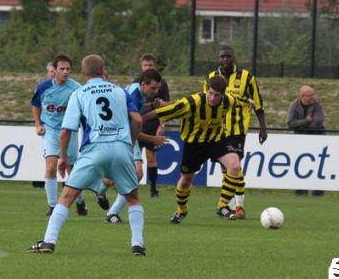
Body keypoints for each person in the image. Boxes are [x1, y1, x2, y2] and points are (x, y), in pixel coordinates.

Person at [26, 54, 147, 256]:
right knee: (133, 198)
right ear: (103, 70)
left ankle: (48, 241)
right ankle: (138, 245)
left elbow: (66, 131)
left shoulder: (79, 93)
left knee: (67, 196)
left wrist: (64, 158)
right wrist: (130, 143)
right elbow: (137, 120)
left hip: (95, 149)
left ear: (83, 73)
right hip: (120, 147)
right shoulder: (120, 91)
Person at [142, 74, 252, 224]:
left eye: (217, 95)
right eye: (210, 93)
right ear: (207, 89)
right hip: (194, 145)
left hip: (216, 141)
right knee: (185, 180)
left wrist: (248, 101)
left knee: (235, 166)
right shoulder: (192, 102)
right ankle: (181, 210)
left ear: (223, 94)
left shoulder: (227, 100)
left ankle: (222, 206)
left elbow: (237, 100)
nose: (212, 98)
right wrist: (141, 118)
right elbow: (167, 110)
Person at [204, 46, 267, 219]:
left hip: (237, 130)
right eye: (222, 57)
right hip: (217, 129)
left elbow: (258, 103)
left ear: (233, 58)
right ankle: (230, 206)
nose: (225, 59)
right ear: (218, 59)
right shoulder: (211, 77)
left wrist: (263, 128)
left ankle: (239, 206)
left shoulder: (247, 77)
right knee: (227, 169)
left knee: (235, 166)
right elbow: (205, 102)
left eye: (228, 56)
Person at [104, 69, 166, 224]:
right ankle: (106, 200)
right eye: (153, 88)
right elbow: (133, 127)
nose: (156, 91)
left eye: (158, 88)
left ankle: (109, 207)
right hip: (121, 137)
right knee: (130, 175)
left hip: (126, 137)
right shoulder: (132, 94)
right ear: (143, 84)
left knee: (135, 175)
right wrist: (153, 139)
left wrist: (153, 106)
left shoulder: (136, 92)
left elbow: (140, 116)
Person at [31, 53, 88, 217]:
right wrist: (38, 124)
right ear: (54, 70)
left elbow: (84, 112)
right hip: (50, 131)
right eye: (62, 69)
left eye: (68, 69)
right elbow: (35, 104)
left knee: (73, 170)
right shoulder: (43, 87)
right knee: (51, 166)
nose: (65, 72)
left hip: (69, 131)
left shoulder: (77, 89)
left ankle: (80, 200)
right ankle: (52, 205)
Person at [138, 54, 169, 198]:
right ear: (141, 66)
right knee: (135, 160)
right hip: (137, 126)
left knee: (151, 158)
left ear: (154, 66)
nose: (147, 67)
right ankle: (131, 187)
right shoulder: (137, 84)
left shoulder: (161, 83)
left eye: (150, 65)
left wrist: (161, 125)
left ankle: (153, 189)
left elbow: (166, 105)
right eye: (145, 65)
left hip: (153, 125)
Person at [287, 85, 325, 196]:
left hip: (317, 139)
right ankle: (300, 191)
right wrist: (306, 121)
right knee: (301, 165)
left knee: (318, 165)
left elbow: (318, 122)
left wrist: (300, 126)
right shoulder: (294, 105)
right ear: (302, 96)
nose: (313, 96)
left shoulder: (317, 104)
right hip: (300, 141)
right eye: (310, 95)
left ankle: (318, 192)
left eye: (313, 94)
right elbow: (290, 123)